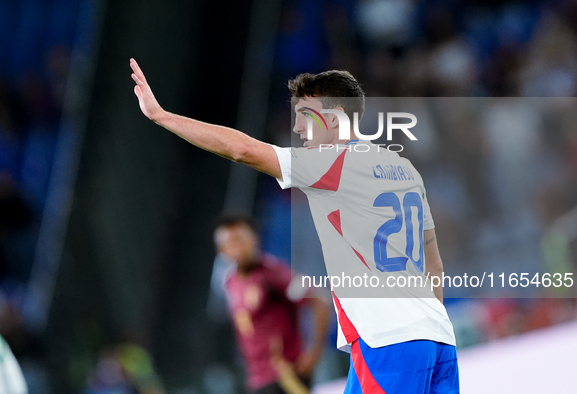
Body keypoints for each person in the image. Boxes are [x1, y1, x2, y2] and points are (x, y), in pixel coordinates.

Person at [130, 58, 459, 393]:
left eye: (305, 117)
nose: (298, 129)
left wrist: (161, 115)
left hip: (389, 341)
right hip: (437, 337)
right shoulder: (404, 169)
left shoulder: (333, 164)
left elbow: (241, 150)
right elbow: (434, 264)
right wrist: (429, 325)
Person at [212, 213, 330, 394]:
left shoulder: (273, 273)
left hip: (285, 375)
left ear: (254, 239)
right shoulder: (230, 282)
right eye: (229, 243)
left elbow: (319, 300)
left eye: (241, 239)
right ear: (222, 251)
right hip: (257, 378)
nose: (237, 247)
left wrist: (314, 353)